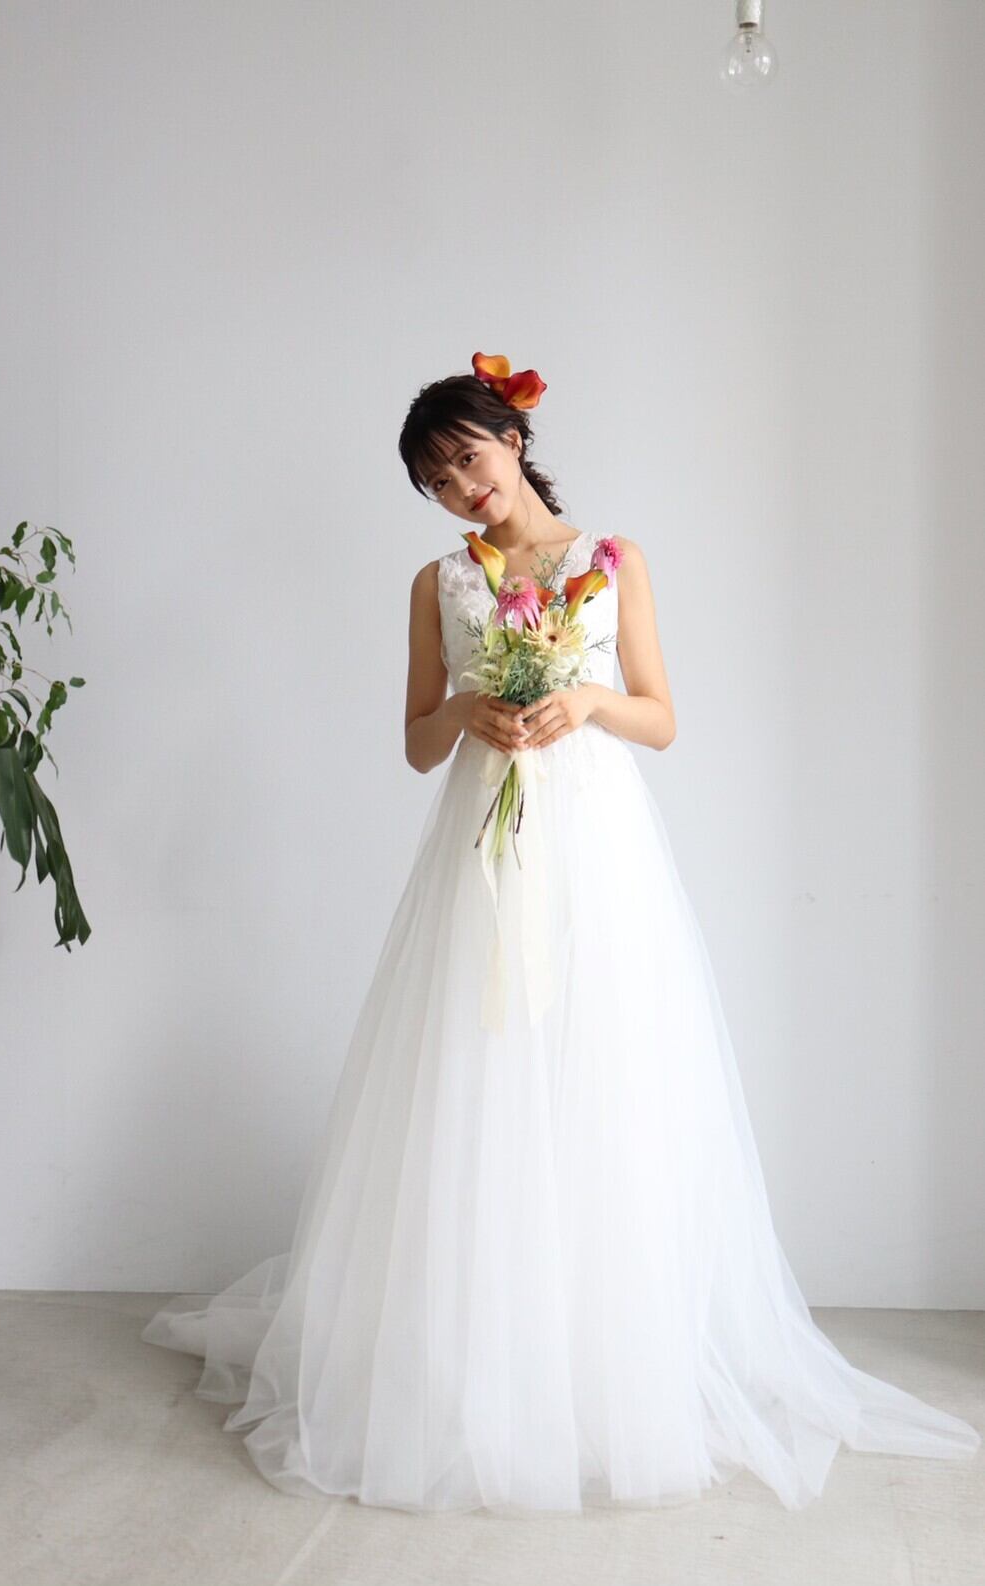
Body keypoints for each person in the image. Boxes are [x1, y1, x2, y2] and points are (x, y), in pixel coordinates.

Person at [142, 352, 980, 1516]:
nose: (461, 486)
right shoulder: (439, 580)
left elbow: (662, 717)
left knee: (600, 1074)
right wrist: (465, 708)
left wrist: (582, 699)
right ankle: (474, 1365)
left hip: (596, 848)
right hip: (481, 843)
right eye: (437, 479)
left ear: (514, 437)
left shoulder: (612, 559)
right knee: (475, 1072)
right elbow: (416, 744)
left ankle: (602, 1370)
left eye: (467, 456)